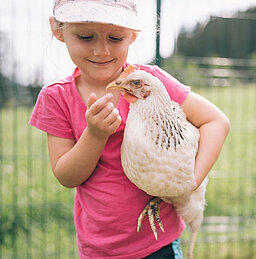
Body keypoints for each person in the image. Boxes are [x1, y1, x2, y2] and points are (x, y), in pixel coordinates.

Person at [29, 0, 230, 258]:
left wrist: (190, 181)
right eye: (86, 36)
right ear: (58, 31)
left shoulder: (151, 83)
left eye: (115, 37)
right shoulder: (57, 98)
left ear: (132, 35)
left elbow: (216, 121)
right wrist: (95, 135)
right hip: (100, 248)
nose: (102, 50)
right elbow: (67, 177)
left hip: (160, 243)